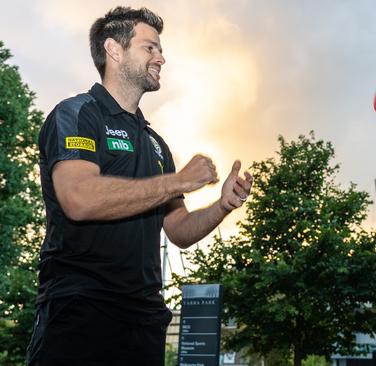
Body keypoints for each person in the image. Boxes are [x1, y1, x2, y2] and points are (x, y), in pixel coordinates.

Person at [27, 7, 253, 365]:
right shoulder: (78, 114)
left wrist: (222, 206)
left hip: (145, 322)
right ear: (114, 50)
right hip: (80, 313)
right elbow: (78, 198)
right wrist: (176, 181)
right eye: (150, 48)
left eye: (159, 50)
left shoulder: (156, 144)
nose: (161, 57)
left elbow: (178, 230)